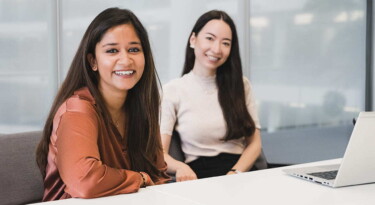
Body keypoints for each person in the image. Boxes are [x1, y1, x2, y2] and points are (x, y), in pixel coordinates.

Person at [35, 7, 170, 201]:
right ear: (93, 62)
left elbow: (158, 177)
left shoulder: (142, 108)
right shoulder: (78, 109)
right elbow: (85, 181)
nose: (125, 59)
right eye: (112, 50)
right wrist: (139, 178)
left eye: (134, 49)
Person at [160, 10, 262, 181]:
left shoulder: (241, 85)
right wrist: (180, 167)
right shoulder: (173, 90)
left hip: (241, 173)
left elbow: (254, 144)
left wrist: (235, 174)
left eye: (226, 43)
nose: (216, 49)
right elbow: (160, 154)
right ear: (193, 40)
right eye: (210, 38)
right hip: (201, 177)